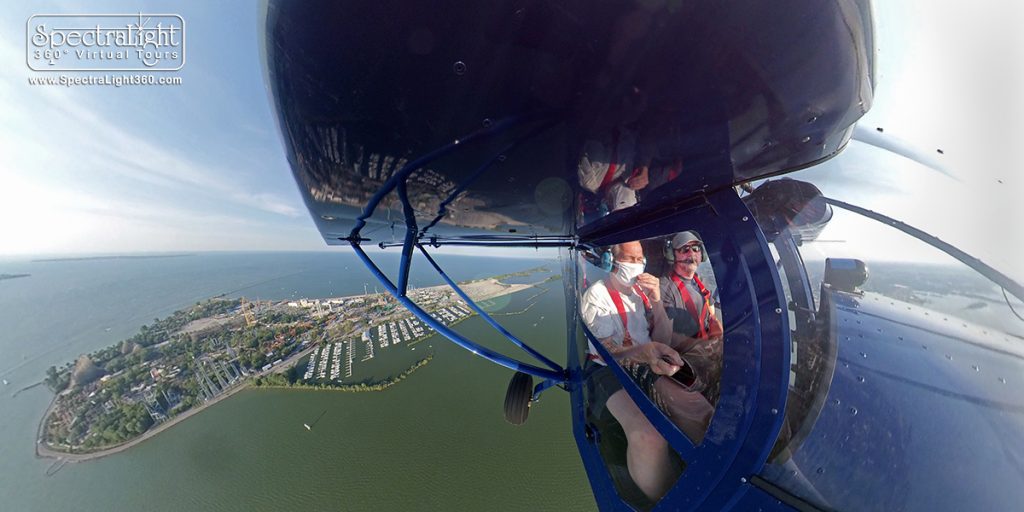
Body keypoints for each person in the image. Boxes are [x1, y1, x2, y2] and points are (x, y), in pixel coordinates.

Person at [581, 241, 713, 502]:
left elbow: (660, 337)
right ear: (610, 261)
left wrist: (656, 303)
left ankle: (710, 476)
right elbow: (607, 353)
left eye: (640, 258)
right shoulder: (596, 297)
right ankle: (666, 501)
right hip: (607, 371)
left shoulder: (640, 294)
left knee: (699, 409)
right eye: (629, 258)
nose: (637, 264)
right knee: (648, 436)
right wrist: (645, 351)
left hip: (645, 363)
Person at [659, 231, 725, 404]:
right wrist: (704, 345)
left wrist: (720, 338)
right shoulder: (665, 287)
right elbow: (664, 337)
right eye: (684, 249)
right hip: (685, 358)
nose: (691, 254)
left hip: (708, 349)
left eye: (696, 249)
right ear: (672, 255)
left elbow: (712, 317)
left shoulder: (699, 281)